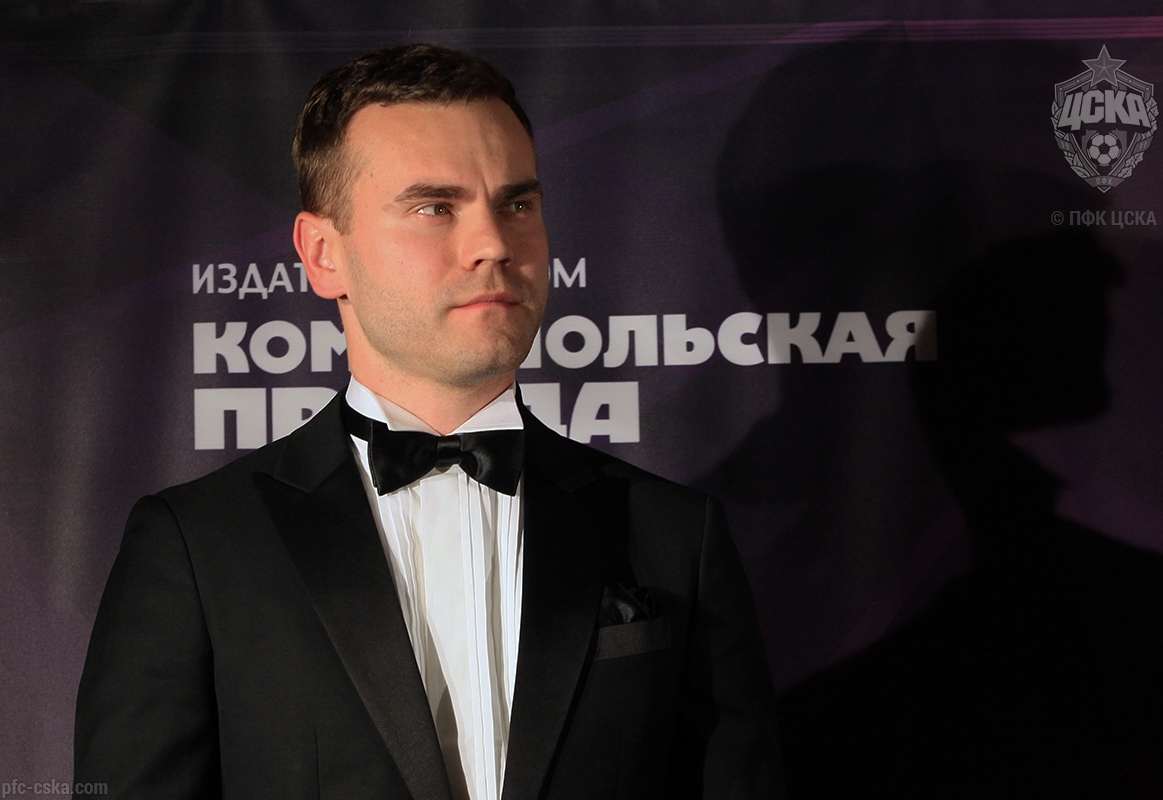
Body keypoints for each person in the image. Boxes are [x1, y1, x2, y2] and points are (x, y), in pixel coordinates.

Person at [74, 44, 782, 800]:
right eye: (434, 207)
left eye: (517, 204)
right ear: (323, 254)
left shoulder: (676, 536)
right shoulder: (197, 547)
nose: (494, 244)